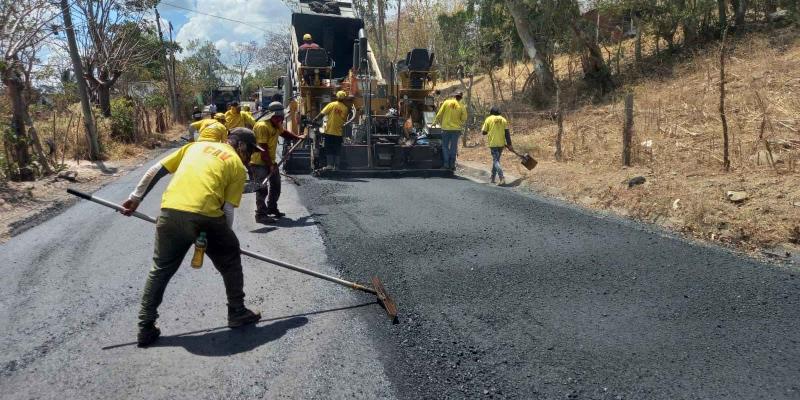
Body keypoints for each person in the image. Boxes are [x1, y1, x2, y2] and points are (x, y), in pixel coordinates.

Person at [120, 130, 265, 347]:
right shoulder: (236, 164)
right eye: (251, 151)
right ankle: (237, 311)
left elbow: (156, 169)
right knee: (230, 259)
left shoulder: (194, 147)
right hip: (207, 215)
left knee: (160, 269)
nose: (250, 157)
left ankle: (145, 327)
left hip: (170, 212)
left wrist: (135, 198)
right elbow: (227, 209)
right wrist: (222, 242)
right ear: (241, 146)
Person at [251, 102, 305, 224]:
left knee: (276, 185)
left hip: (270, 160)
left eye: (281, 118)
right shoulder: (262, 126)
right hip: (259, 162)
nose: (280, 120)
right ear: (271, 116)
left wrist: (296, 137)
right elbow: (262, 149)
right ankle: (260, 214)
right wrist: (270, 165)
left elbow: (284, 133)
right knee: (262, 188)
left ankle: (272, 208)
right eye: (278, 118)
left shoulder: (276, 124)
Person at [312, 91, 349, 171]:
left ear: (337, 97)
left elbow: (322, 113)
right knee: (337, 149)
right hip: (339, 133)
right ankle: (337, 167)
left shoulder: (332, 104)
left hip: (329, 131)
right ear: (344, 98)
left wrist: (315, 119)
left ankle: (329, 165)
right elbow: (343, 120)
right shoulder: (345, 108)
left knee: (329, 148)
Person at [433, 91, 467, 170]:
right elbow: (464, 118)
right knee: (453, 147)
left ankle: (446, 165)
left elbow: (440, 113)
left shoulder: (446, 102)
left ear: (454, 96)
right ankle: (452, 165)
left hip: (446, 129)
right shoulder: (462, 106)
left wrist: (434, 122)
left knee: (445, 146)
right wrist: (459, 123)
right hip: (456, 130)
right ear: (460, 97)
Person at [481, 107, 514, 185]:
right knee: (496, 160)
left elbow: (484, 132)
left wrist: (489, 130)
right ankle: (492, 177)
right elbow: (507, 133)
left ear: (491, 112)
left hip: (493, 143)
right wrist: (509, 144)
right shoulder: (503, 120)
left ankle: (501, 178)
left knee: (496, 161)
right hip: (501, 144)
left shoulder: (489, 119)